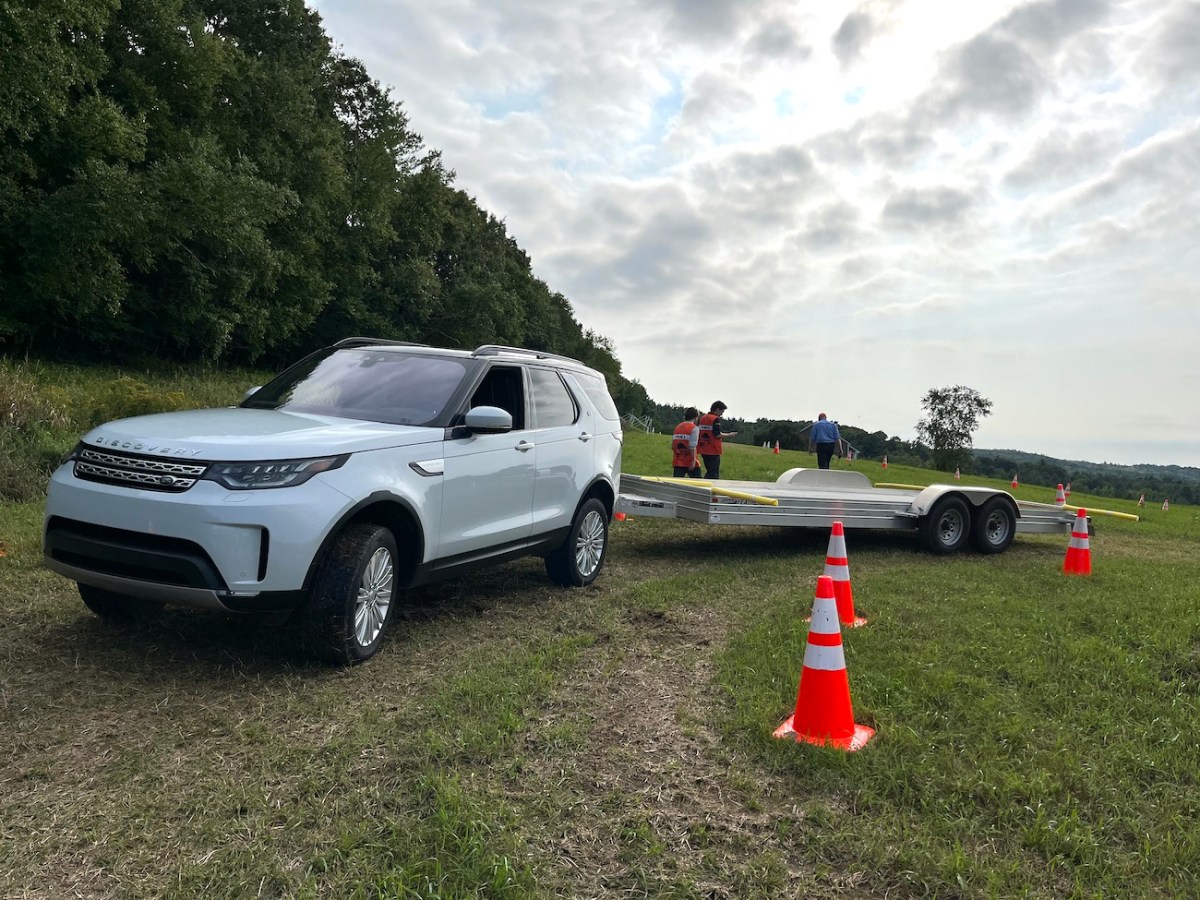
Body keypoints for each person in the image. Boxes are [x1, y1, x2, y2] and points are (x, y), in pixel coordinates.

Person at [696, 401, 737, 479]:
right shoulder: (715, 419)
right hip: (713, 449)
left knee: (709, 471)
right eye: (722, 411)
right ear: (717, 409)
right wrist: (729, 435)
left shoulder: (703, 418)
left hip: (703, 448)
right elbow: (717, 434)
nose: (722, 414)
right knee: (713, 474)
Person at [671, 407, 703, 478]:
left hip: (678, 460)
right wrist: (693, 461)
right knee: (698, 483)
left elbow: (673, 445)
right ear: (696, 417)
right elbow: (692, 446)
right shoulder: (694, 428)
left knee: (676, 483)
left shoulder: (678, 427)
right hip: (689, 460)